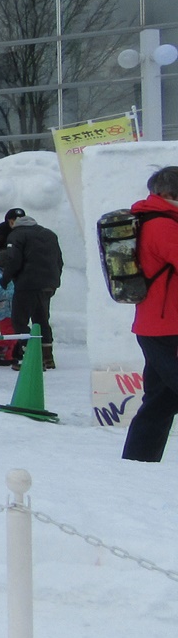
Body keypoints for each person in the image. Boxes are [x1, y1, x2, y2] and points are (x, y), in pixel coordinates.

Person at [121, 166, 178, 462]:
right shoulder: (163, 226)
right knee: (164, 395)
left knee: (161, 398)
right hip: (168, 326)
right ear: (169, 193)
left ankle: (138, 460)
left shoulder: (152, 220)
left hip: (156, 323)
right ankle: (138, 459)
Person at [0, 208, 63, 370]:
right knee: (41, 320)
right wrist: (53, 280)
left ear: (13, 223)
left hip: (27, 284)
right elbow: (59, 260)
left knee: (19, 321)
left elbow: (14, 260)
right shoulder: (49, 234)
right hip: (49, 284)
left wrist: (6, 279)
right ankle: (47, 358)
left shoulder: (16, 235)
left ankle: (29, 358)